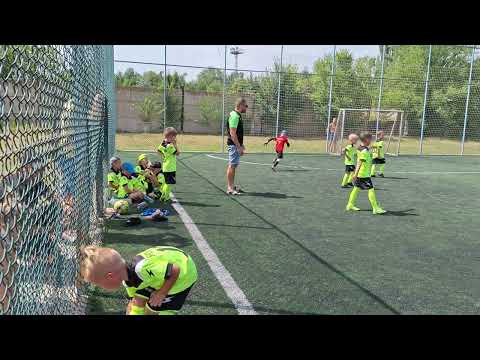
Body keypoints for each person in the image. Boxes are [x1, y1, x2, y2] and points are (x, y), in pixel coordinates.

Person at [80, 245, 197, 315]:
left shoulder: (142, 269)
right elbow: (134, 301)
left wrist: (162, 293)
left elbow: (174, 270)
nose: (102, 287)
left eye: (99, 284)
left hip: (183, 273)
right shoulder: (127, 280)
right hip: (159, 276)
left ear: (110, 276)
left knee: (159, 308)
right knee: (139, 299)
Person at [345, 132, 386, 215]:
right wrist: (355, 174)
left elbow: (365, 150)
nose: (371, 141)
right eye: (370, 139)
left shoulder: (360, 148)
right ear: (367, 140)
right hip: (363, 174)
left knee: (356, 189)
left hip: (361, 174)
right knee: (371, 189)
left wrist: (371, 147)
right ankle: (375, 208)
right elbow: (360, 162)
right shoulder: (364, 151)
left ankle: (350, 204)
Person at [226, 98, 248, 195]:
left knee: (234, 165)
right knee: (232, 165)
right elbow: (232, 133)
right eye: (245, 106)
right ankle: (230, 188)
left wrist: (241, 145)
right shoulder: (235, 116)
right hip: (234, 145)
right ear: (240, 105)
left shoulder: (237, 115)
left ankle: (232, 185)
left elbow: (237, 133)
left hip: (236, 145)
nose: (246, 108)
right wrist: (238, 147)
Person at [157, 127, 180, 202]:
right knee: (169, 183)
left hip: (166, 166)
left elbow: (158, 151)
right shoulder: (170, 146)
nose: (175, 138)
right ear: (170, 136)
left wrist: (164, 155)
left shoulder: (163, 143)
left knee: (167, 182)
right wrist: (175, 144)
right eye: (174, 136)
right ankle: (165, 197)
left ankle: (163, 195)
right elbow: (177, 153)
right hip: (170, 167)